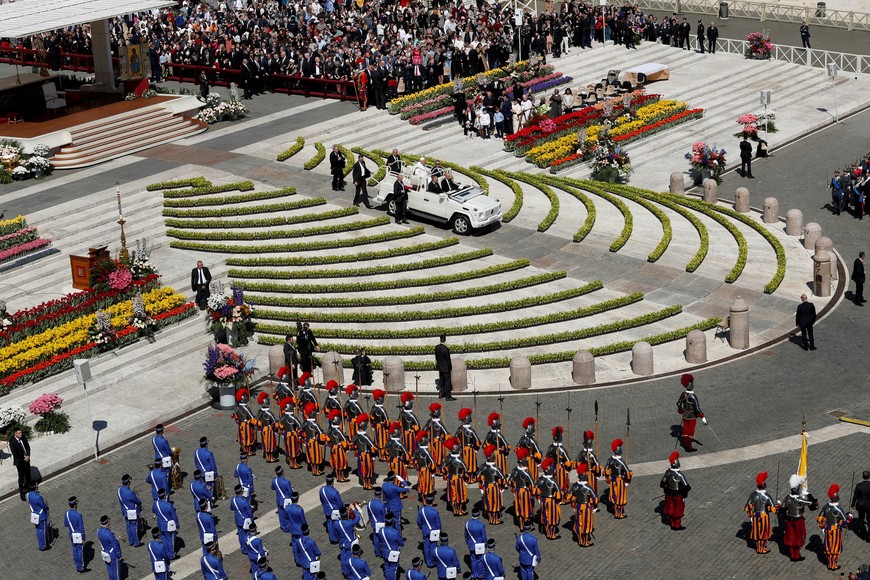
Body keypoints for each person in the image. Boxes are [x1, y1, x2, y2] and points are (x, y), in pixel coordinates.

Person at [779, 474, 817, 561]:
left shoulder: (787, 498)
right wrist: (809, 494)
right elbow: (813, 503)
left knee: (791, 538)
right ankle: (796, 555)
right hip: (799, 520)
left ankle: (792, 555)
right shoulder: (799, 500)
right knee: (798, 538)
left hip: (789, 520)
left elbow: (783, 507)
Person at [818, 484, 853, 570]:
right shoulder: (838, 509)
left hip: (828, 529)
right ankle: (833, 565)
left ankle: (830, 563)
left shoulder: (826, 507)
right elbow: (845, 522)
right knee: (834, 548)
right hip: (836, 530)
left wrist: (823, 526)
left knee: (829, 547)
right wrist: (850, 517)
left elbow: (820, 518)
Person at [744, 471, 776, 554]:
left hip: (755, 515)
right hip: (764, 516)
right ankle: (761, 548)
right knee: (763, 532)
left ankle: (758, 547)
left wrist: (750, 516)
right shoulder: (767, 496)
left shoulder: (753, 495)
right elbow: (773, 509)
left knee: (757, 532)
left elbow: (747, 507)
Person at [676, 373, 707, 452]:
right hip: (692, 416)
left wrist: (681, 410)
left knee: (685, 430)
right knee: (691, 431)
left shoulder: (683, 394)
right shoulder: (693, 397)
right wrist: (703, 417)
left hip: (685, 415)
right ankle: (689, 447)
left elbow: (679, 403)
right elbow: (697, 408)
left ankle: (686, 445)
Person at [569, 464, 598, 546]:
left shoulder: (575, 485)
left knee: (579, 524)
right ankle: (585, 542)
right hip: (586, 507)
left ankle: (580, 541)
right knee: (585, 525)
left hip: (578, 507)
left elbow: (568, 496)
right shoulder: (588, 487)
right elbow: (595, 498)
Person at [660, 452, 691, 530]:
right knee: (678, 509)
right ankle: (676, 525)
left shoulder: (668, 472)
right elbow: (687, 486)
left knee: (670, 508)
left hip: (668, 494)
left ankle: (672, 524)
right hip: (677, 494)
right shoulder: (680, 474)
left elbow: (662, 483)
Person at [605, 438, 632, 519]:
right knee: (620, 498)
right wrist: (627, 481)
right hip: (620, 481)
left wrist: (608, 478)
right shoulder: (621, 461)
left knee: (614, 497)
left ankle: (615, 513)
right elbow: (628, 472)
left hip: (612, 481)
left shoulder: (610, 460)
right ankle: (619, 514)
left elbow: (606, 470)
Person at [153, 488, 179, 560]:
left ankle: (167, 553)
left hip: (160, 525)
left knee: (164, 539)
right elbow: (174, 516)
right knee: (171, 540)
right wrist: (177, 525)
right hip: (169, 525)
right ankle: (172, 554)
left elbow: (153, 510)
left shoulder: (155, 503)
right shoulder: (169, 505)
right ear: (164, 496)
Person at [117, 474, 143, 547]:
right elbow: (137, 501)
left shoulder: (119, 490)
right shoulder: (130, 493)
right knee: (134, 526)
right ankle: (136, 542)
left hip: (125, 511)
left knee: (128, 526)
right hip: (132, 511)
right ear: (129, 482)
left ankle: (131, 540)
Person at [320, 473, 345, 544]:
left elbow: (321, 500)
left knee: (329, 523)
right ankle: (337, 537)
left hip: (326, 510)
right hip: (335, 511)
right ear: (332, 482)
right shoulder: (335, 492)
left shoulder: (322, 490)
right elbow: (340, 504)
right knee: (336, 524)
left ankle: (332, 538)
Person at [418, 496, 442, 568]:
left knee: (426, 546)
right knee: (433, 546)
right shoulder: (435, 512)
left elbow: (419, 522)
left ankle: (428, 561)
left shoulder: (421, 511)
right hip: (433, 531)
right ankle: (432, 560)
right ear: (432, 501)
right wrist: (440, 531)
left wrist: (422, 528)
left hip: (425, 530)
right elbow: (438, 523)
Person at [378, 512, 404, 580]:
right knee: (393, 569)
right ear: (392, 522)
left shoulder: (381, 530)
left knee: (387, 568)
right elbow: (401, 544)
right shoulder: (395, 532)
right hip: (393, 553)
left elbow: (379, 541)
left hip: (384, 552)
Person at [64, 496, 86, 573]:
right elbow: (81, 528)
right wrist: (83, 538)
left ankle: (77, 565)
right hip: (78, 535)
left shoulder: (66, 513)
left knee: (74, 549)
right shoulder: (78, 515)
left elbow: (66, 524)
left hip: (71, 534)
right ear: (75, 504)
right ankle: (80, 567)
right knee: (79, 550)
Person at [464, 509, 488, 579]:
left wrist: (467, 543)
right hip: (480, 545)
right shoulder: (481, 525)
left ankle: (474, 574)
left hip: (471, 545)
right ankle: (480, 574)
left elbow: (465, 534)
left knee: (473, 560)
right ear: (478, 516)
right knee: (480, 560)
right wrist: (485, 545)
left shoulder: (467, 523)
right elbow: (484, 537)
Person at [98, 515, 123, 580]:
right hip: (113, 555)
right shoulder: (109, 534)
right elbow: (115, 546)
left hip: (105, 552)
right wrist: (119, 555)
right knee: (116, 572)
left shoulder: (99, 531)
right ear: (108, 522)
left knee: (110, 571)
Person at [10, 426, 32, 501]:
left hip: (27, 460)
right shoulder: (12, 441)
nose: (21, 434)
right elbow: (15, 453)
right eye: (19, 433)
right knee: (21, 477)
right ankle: (22, 493)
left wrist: (28, 455)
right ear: (15, 433)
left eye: (21, 432)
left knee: (28, 474)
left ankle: (29, 488)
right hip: (20, 462)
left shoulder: (23, 438)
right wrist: (24, 458)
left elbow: (27, 447)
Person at [27, 482, 50, 551]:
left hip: (35, 514)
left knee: (38, 530)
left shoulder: (28, 495)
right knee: (43, 531)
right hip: (41, 515)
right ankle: (44, 545)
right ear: (35, 487)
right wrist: (47, 506)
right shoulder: (38, 497)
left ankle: (41, 544)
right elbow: (43, 506)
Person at [271, 466, 294, 533]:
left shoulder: (274, 480)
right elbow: (290, 493)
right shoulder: (286, 482)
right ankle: (287, 527)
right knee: (286, 514)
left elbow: (272, 488)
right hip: (286, 500)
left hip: (278, 499)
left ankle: (283, 526)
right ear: (283, 472)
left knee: (281, 514)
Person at [851, 470, 870, 541]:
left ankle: (863, 535)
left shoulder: (859, 486)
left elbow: (855, 496)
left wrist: (853, 505)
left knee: (861, 520)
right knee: (869, 520)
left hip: (861, 505)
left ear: (863, 476)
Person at [435, 335, 454, 400]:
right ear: (445, 339)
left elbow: (436, 358)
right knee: (447, 382)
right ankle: (448, 396)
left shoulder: (436, 347)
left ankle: (441, 394)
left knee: (441, 381)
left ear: (440, 339)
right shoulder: (446, 349)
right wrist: (450, 367)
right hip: (446, 368)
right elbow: (448, 360)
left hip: (440, 367)